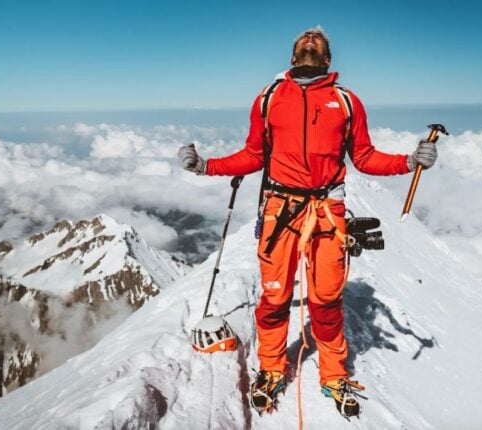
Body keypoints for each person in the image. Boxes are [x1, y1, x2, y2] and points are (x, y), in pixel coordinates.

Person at [178, 26, 437, 418]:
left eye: (317, 40)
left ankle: (333, 373)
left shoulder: (346, 102)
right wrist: (205, 166)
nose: (310, 39)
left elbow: (364, 157)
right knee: (275, 297)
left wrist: (409, 161)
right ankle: (271, 367)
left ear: (328, 59)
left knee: (326, 300)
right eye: (304, 39)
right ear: (294, 55)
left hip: (327, 213)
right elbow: (253, 154)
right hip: (280, 211)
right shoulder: (268, 98)